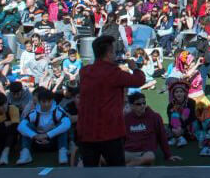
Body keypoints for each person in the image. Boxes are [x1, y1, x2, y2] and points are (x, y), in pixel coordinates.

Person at [77, 34, 146, 167]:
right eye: (113, 51)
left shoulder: (84, 72)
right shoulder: (113, 73)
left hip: (87, 131)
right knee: (117, 172)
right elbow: (139, 80)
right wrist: (134, 68)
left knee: (89, 172)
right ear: (109, 53)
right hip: (110, 132)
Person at [123, 91, 180, 166]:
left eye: (144, 103)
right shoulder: (126, 118)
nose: (142, 105)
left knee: (150, 157)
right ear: (131, 106)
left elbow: (162, 136)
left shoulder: (155, 117)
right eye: (138, 104)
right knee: (109, 158)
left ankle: (127, 166)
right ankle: (130, 163)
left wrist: (168, 155)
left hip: (145, 152)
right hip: (129, 151)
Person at [18, 87, 71, 165]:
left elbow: (67, 123)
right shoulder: (34, 112)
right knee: (27, 125)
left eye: (49, 101)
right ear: (39, 102)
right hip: (37, 142)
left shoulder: (58, 110)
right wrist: (35, 136)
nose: (46, 104)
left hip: (53, 142)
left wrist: (47, 135)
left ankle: (62, 152)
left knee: (63, 126)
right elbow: (21, 126)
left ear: (52, 101)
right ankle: (26, 154)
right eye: (44, 102)